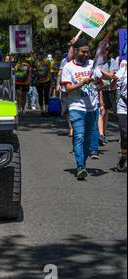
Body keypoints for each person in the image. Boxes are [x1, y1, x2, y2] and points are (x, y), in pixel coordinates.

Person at [61, 38, 101, 180]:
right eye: (83, 52)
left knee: (88, 139)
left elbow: (101, 84)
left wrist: (98, 81)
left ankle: (82, 163)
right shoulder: (68, 67)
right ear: (76, 51)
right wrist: (81, 83)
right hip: (76, 107)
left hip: (92, 108)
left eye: (87, 52)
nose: (86, 54)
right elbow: (68, 89)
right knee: (79, 136)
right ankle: (79, 166)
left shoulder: (92, 64)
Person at [97, 47, 118, 146]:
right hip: (99, 90)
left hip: (109, 90)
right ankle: (100, 134)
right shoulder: (95, 61)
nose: (104, 51)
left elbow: (110, 75)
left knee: (106, 115)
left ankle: (103, 134)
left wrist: (100, 70)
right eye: (103, 50)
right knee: (101, 112)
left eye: (106, 50)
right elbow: (95, 76)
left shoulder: (112, 61)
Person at [114, 61, 127, 172]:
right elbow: (114, 78)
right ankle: (123, 157)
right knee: (124, 133)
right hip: (123, 105)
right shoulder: (124, 68)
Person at [34, 51, 52, 116]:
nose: (39, 56)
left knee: (46, 95)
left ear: (43, 55)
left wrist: (51, 80)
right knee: (40, 95)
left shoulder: (47, 61)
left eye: (40, 55)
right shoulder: (36, 62)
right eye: (38, 55)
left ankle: (46, 111)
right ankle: (42, 111)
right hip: (39, 81)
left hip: (47, 80)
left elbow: (50, 70)